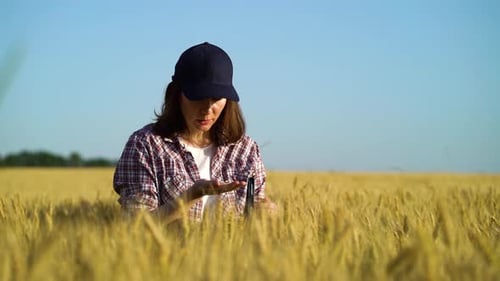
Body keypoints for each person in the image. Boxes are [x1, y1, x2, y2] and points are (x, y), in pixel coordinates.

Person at [113, 42, 276, 223]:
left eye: (216, 98)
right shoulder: (145, 145)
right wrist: (190, 196)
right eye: (197, 97)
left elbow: (255, 211)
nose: (207, 109)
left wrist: (268, 213)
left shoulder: (246, 150)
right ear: (176, 95)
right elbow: (136, 225)